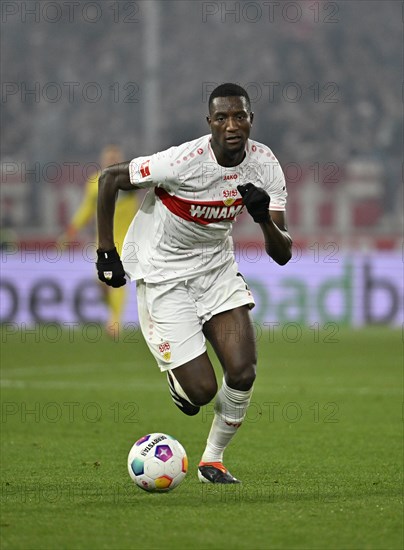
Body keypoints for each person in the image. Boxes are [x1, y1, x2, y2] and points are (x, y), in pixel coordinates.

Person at [96, 83, 292, 483]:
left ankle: (212, 460)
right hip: (163, 272)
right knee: (201, 392)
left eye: (240, 116)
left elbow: (283, 252)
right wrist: (106, 253)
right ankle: (180, 381)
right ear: (210, 123)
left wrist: (261, 219)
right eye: (222, 117)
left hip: (216, 269)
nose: (232, 125)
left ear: (251, 120)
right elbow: (109, 179)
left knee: (243, 371)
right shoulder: (181, 161)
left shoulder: (265, 165)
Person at [59, 145, 138, 335]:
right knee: (101, 282)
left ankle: (115, 321)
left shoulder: (129, 178)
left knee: (115, 278)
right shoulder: (94, 181)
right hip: (102, 238)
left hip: (125, 237)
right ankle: (113, 313)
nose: (111, 160)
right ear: (102, 159)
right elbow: (87, 208)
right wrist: (70, 232)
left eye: (115, 157)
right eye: (108, 157)